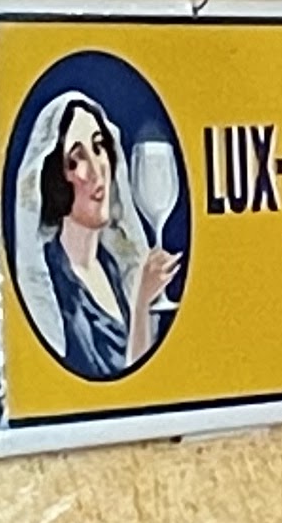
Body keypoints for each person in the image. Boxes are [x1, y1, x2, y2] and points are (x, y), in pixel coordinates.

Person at [35, 94, 178, 378]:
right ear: (55, 179)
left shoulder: (112, 268)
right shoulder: (56, 286)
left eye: (99, 147)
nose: (96, 169)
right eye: (76, 160)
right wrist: (142, 303)